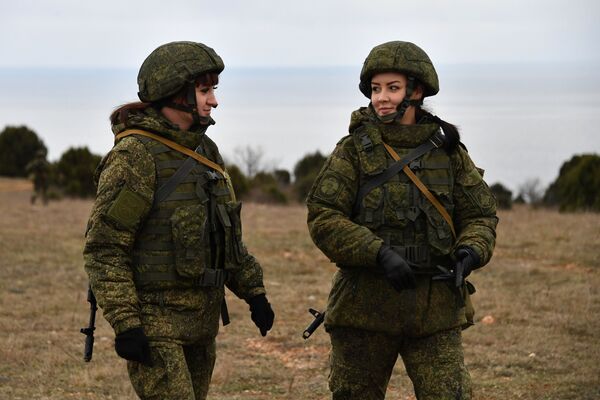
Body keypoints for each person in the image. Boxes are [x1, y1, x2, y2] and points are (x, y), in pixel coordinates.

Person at [83, 41, 275, 400]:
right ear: (176, 93)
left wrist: (254, 292)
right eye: (204, 90)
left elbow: (224, 236)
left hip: (202, 324)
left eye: (213, 90)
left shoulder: (206, 151)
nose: (214, 101)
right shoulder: (134, 157)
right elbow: (105, 248)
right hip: (156, 324)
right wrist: (127, 323)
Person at [306, 41, 498, 399]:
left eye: (392, 88)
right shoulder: (353, 151)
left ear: (417, 91)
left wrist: (470, 252)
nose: (382, 98)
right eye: (376, 89)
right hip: (364, 309)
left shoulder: (448, 152)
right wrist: (378, 253)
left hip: (434, 309)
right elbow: (323, 217)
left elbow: (481, 215)